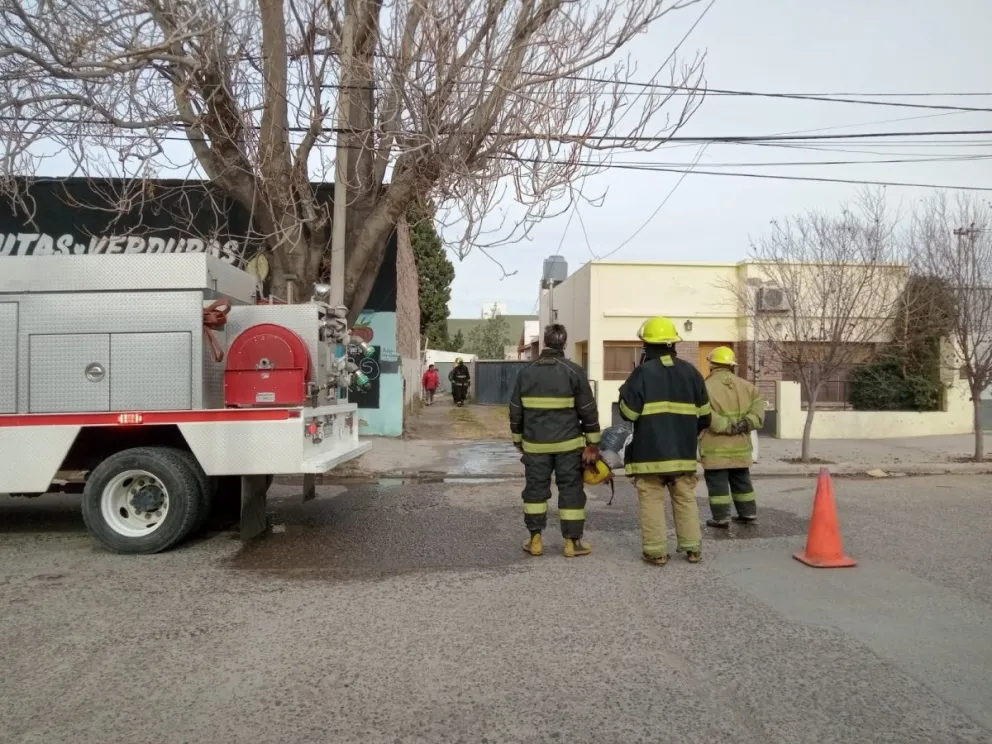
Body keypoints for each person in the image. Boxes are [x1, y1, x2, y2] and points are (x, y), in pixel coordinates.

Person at [618, 316, 711, 566]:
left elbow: (628, 414)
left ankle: (656, 552)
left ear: (646, 345)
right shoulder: (692, 373)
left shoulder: (642, 373)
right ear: (673, 344)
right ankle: (693, 549)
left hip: (649, 454)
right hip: (683, 452)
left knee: (651, 498)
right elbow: (705, 416)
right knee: (685, 498)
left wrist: (627, 389)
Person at [509, 323, 601, 558]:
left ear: (545, 343)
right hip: (569, 446)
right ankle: (572, 543)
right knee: (571, 490)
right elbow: (588, 410)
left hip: (535, 445)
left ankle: (535, 540)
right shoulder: (574, 371)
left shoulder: (526, 372)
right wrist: (593, 442)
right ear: (565, 344)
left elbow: (516, 409)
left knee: (535, 490)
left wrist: (518, 439)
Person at [698, 346, 766, 528]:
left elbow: (704, 414)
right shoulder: (748, 387)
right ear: (732, 365)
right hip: (741, 446)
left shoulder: (705, 387)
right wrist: (746, 423)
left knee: (717, 484)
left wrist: (727, 426)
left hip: (716, 447)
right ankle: (748, 513)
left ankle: (721, 518)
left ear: (712, 365)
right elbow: (759, 407)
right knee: (742, 481)